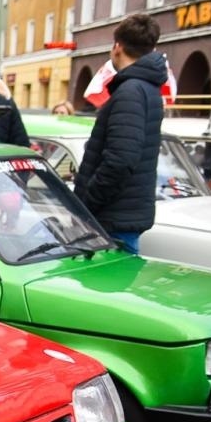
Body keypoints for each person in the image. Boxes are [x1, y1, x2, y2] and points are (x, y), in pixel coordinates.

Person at [73, 14, 166, 255]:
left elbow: (120, 160)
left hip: (112, 219)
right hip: (123, 214)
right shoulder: (145, 87)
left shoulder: (131, 91)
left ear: (117, 47)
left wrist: (87, 205)